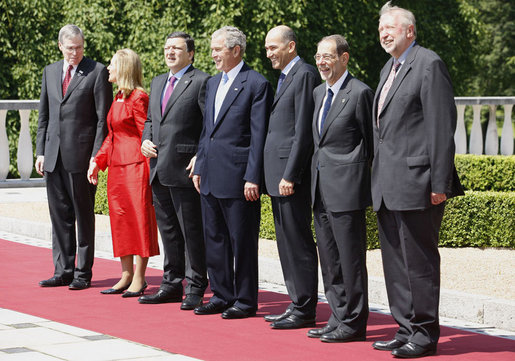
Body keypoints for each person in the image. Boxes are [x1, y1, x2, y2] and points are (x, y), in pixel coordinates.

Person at [371, 2, 464, 358]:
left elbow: (442, 128)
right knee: (395, 262)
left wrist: (439, 182)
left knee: (419, 262)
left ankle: (424, 334)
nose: (384, 33)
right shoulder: (387, 69)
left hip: (418, 182)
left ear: (410, 30)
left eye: (390, 27)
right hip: (387, 185)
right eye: (381, 28)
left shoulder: (428, 64)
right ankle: (405, 327)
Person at [192, 26, 273, 319]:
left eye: (218, 49)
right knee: (214, 239)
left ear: (235, 50)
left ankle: (245, 300)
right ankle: (221, 294)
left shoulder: (257, 84)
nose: (212, 54)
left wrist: (253, 176)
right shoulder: (213, 83)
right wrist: (199, 165)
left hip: (239, 178)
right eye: (212, 49)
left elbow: (258, 135)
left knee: (242, 241)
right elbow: (207, 131)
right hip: (211, 174)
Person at [36, 24, 112, 290]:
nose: (75, 53)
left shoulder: (97, 71)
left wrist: (96, 156)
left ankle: (82, 272)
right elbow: (43, 116)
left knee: (83, 215)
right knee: (59, 216)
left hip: (82, 158)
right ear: (60, 46)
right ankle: (62, 270)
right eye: (70, 48)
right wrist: (40, 151)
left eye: (79, 47)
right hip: (53, 157)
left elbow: (103, 119)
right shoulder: (50, 71)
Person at [308, 35, 373, 342]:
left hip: (347, 191)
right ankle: (337, 316)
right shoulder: (318, 93)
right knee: (330, 261)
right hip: (320, 189)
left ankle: (355, 323)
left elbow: (371, 145)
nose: (322, 61)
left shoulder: (359, 93)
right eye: (319, 56)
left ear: (344, 58)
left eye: (328, 56)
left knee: (351, 261)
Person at [138, 32, 209, 310]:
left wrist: (200, 156)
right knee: (168, 232)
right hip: (158, 168)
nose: (170, 52)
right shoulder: (157, 82)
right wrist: (146, 138)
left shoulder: (201, 81)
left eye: (177, 48)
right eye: (167, 47)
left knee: (191, 233)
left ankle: (195, 286)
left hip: (185, 169)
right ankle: (171, 283)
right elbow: (151, 119)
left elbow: (209, 125)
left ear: (190, 54)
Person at [87, 48, 159, 297]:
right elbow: (112, 136)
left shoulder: (139, 97)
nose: (108, 68)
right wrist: (98, 161)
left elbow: (146, 133)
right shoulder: (118, 96)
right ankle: (125, 275)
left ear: (124, 68)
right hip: (117, 169)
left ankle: (140, 278)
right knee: (120, 222)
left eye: (112, 64)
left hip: (136, 169)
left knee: (139, 221)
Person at [262, 25, 320, 329]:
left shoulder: (305, 74)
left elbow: (302, 132)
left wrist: (291, 174)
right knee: (285, 242)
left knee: (298, 241)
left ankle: (305, 308)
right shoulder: (284, 76)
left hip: (289, 177)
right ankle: (296, 302)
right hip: (276, 175)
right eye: (267, 48)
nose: (268, 53)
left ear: (291, 46)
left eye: (274, 47)